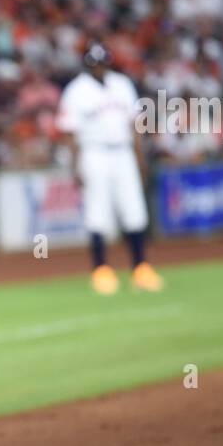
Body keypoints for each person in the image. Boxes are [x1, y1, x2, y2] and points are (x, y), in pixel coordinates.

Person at [57, 42, 164, 294]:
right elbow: (70, 132)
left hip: (123, 151)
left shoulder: (122, 84)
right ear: (87, 65)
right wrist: (76, 166)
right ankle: (101, 271)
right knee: (97, 213)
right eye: (95, 64)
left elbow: (135, 124)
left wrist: (140, 158)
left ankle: (141, 268)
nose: (100, 68)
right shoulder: (76, 90)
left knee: (134, 210)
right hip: (93, 152)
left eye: (103, 62)